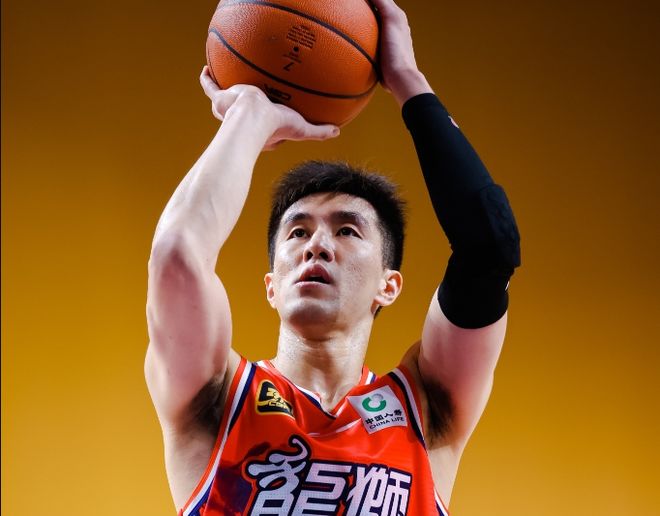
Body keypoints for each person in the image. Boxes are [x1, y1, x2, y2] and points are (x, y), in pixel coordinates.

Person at [145, 0, 521, 514]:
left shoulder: (426, 408)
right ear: (271, 284)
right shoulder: (216, 398)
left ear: (389, 284)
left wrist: (407, 80)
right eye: (297, 232)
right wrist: (250, 115)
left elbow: (489, 248)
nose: (316, 245)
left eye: (347, 230)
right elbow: (176, 257)